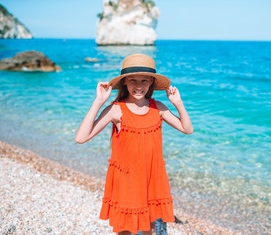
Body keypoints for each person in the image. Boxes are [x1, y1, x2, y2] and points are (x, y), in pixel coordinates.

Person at [75, 53, 193, 235]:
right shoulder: (116, 110)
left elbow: (187, 129)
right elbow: (81, 137)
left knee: (150, 227)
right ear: (124, 82)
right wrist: (98, 102)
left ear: (151, 83)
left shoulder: (158, 108)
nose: (139, 86)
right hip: (127, 180)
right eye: (133, 81)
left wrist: (178, 103)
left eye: (144, 81)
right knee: (125, 228)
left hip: (152, 178)